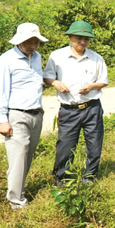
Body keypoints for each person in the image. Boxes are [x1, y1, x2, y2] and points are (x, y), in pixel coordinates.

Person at [43, 21, 109, 185]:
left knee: (94, 144)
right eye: (78, 38)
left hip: (91, 107)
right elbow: (47, 77)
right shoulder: (57, 56)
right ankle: (61, 177)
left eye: (86, 39)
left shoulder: (96, 58)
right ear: (69, 37)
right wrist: (55, 83)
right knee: (65, 144)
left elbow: (103, 81)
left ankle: (90, 176)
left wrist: (92, 86)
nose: (82, 42)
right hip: (69, 109)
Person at [0, 23, 48, 210]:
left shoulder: (37, 57)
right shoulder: (6, 60)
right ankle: (16, 202)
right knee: (18, 158)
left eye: (36, 42)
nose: (32, 45)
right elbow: (1, 91)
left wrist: (39, 106)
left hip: (35, 113)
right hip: (16, 115)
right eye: (28, 42)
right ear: (19, 41)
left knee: (27, 157)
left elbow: (35, 83)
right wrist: (2, 120)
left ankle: (19, 191)